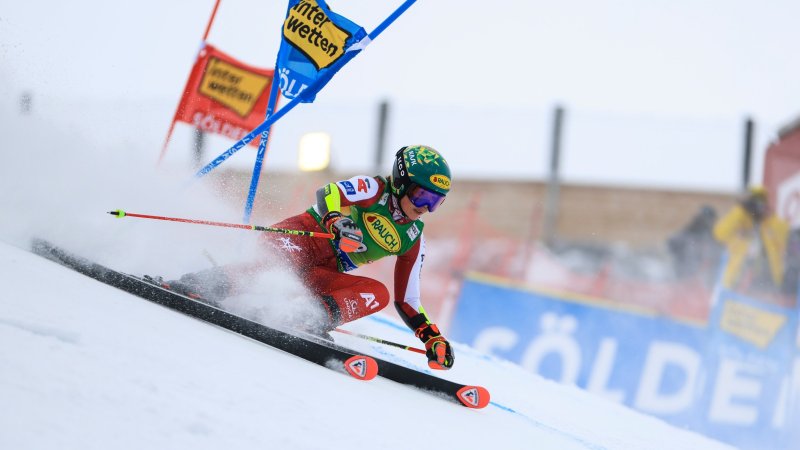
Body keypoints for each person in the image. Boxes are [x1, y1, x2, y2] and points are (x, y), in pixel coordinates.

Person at [157, 145, 455, 370]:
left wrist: (432, 338)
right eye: (421, 196)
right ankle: (202, 283)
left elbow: (407, 301)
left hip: (321, 270)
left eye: (436, 202)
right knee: (276, 269)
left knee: (377, 293)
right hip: (301, 238)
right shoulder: (374, 189)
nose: (425, 207)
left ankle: (308, 320)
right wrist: (337, 220)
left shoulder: (414, 239)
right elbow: (329, 192)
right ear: (401, 183)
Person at [712, 186, 790, 297]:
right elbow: (719, 234)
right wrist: (740, 211)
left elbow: (785, 236)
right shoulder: (739, 220)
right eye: (753, 203)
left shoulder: (770, 224)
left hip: (767, 283)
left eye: (760, 203)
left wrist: (768, 217)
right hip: (736, 281)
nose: (756, 208)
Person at [666, 205, 722, 285]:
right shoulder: (689, 235)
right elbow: (671, 244)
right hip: (685, 277)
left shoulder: (710, 239)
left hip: (695, 279)